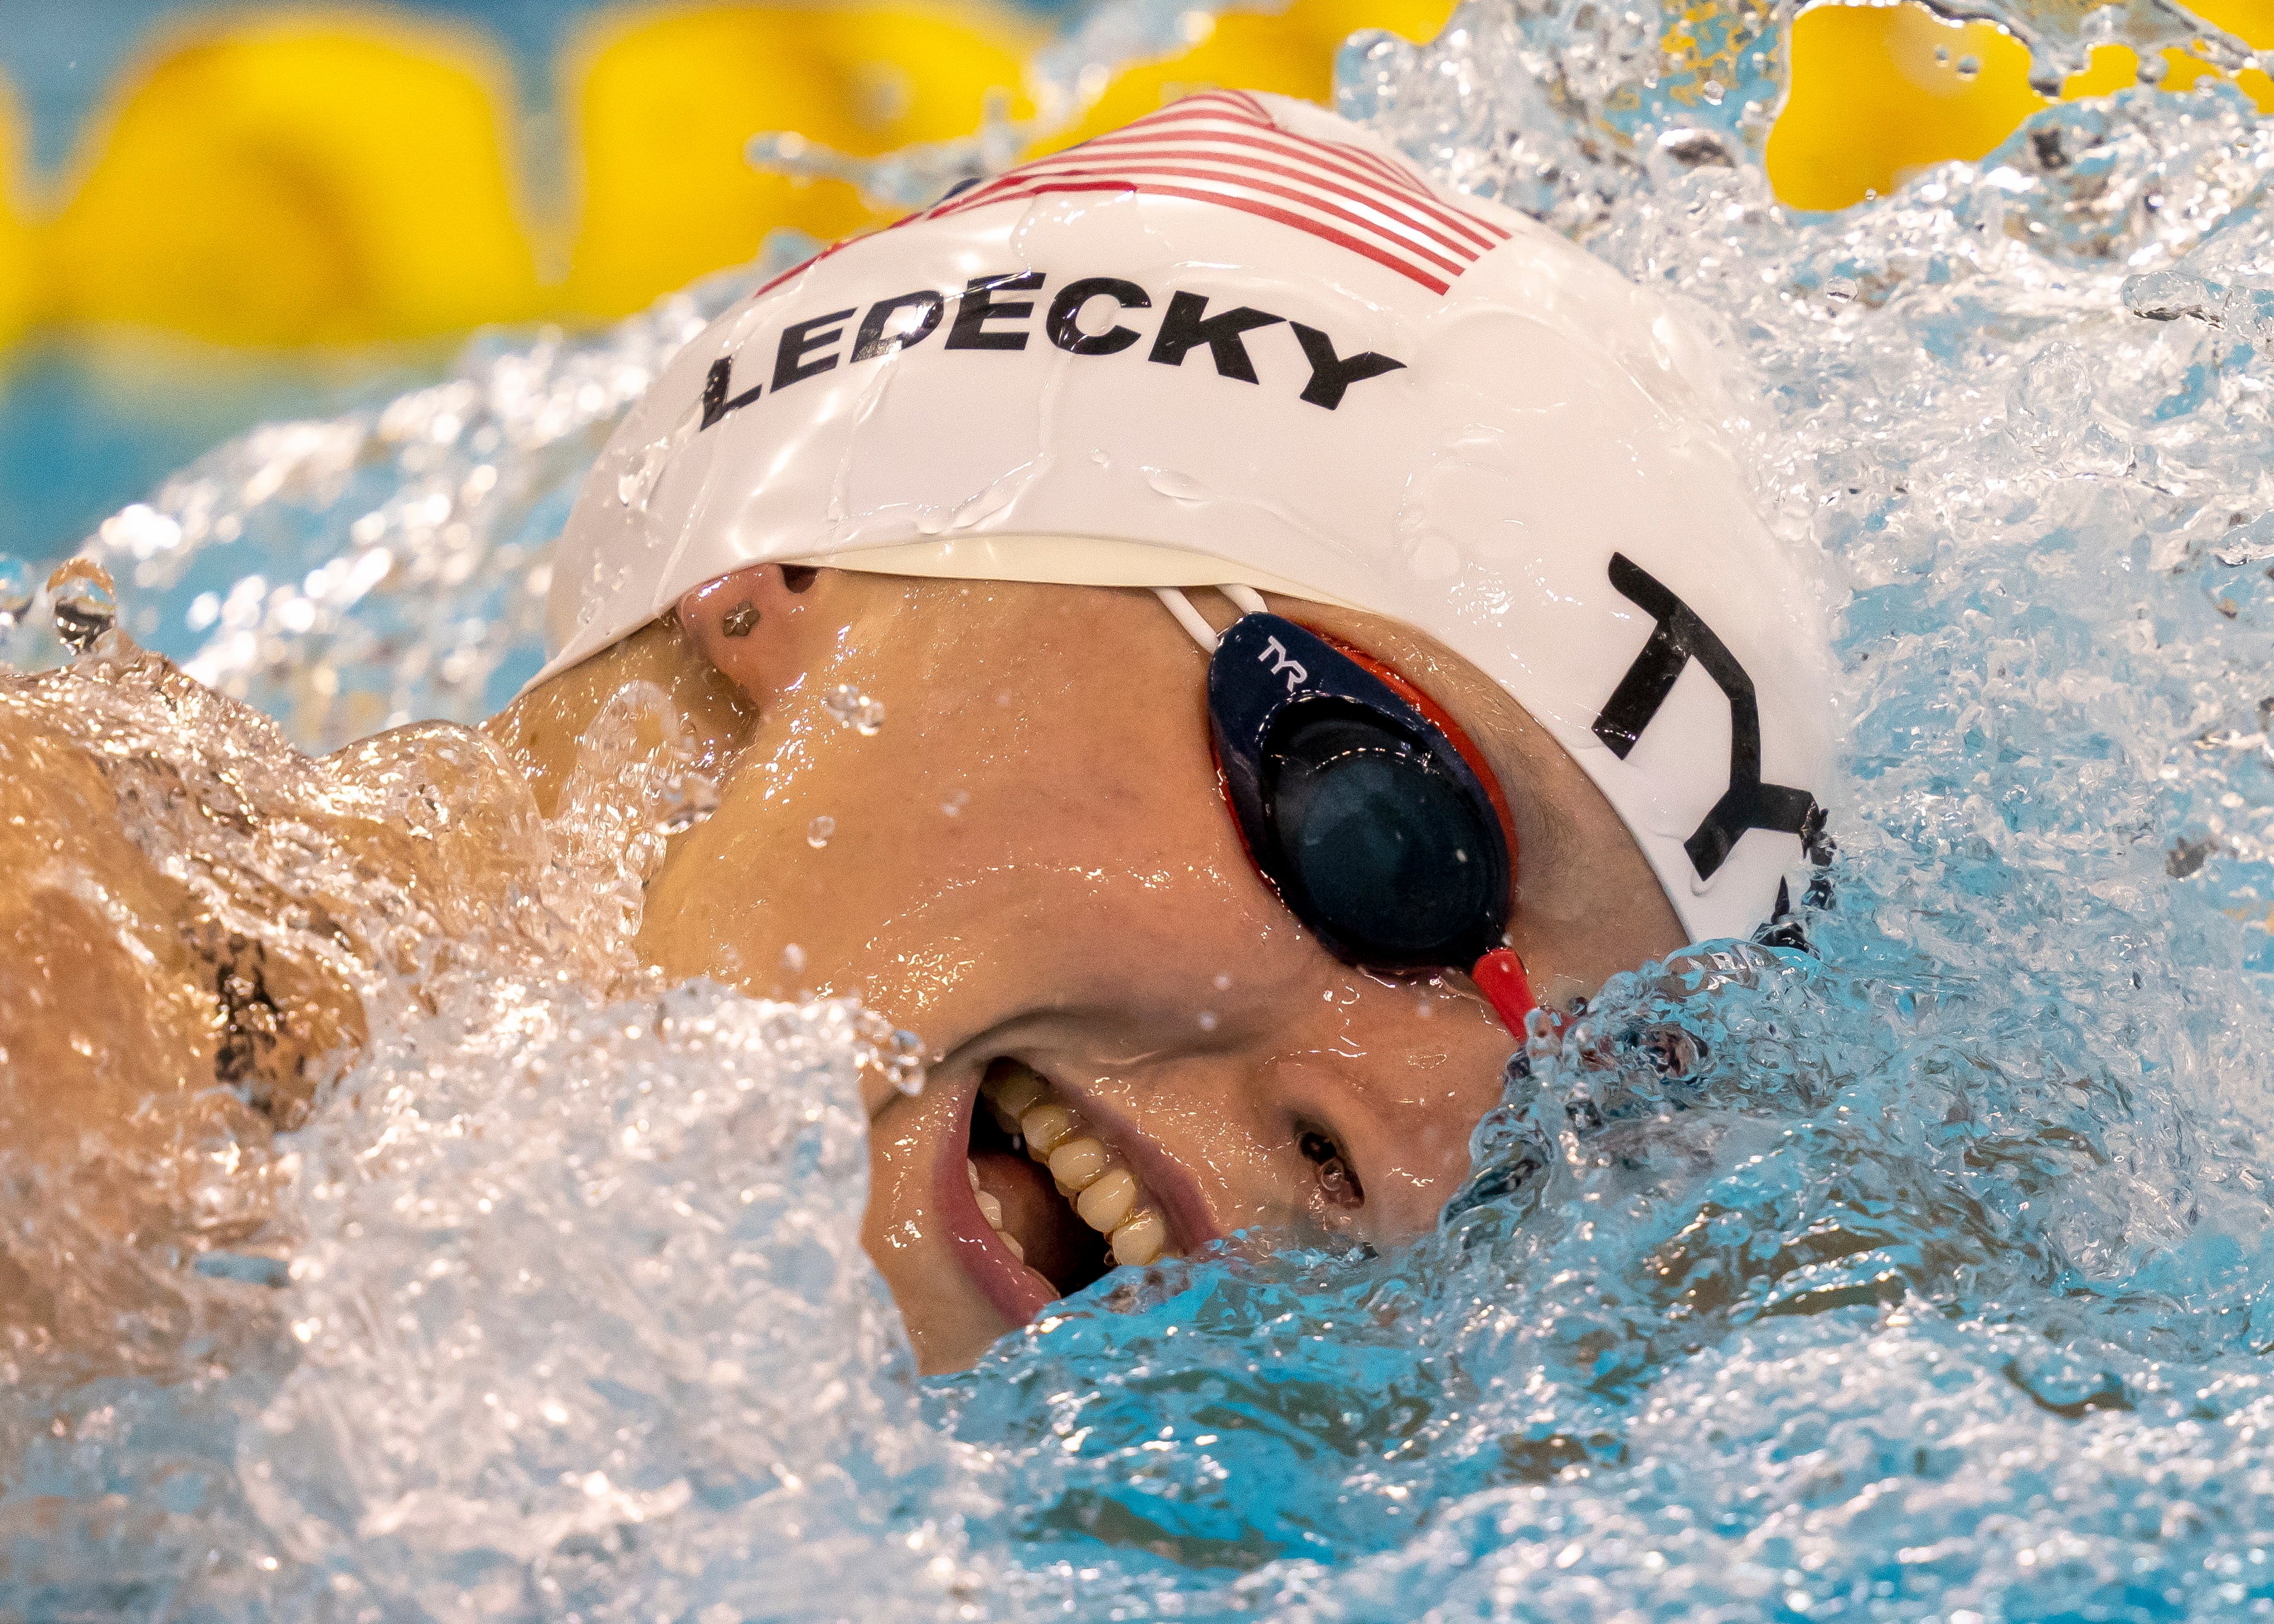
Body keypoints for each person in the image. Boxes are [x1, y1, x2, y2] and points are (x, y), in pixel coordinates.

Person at [0, 91, 1829, 1375]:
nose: (1422, 1162)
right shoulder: (61, 1015)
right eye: (1382, 831)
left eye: (1545, 1105)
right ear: (783, 574)